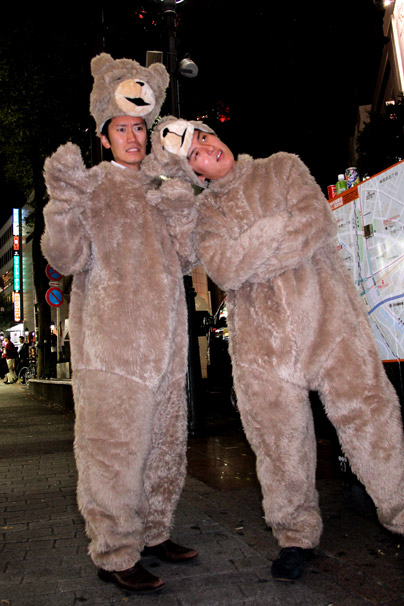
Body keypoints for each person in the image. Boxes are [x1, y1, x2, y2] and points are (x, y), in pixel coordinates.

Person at [147, 116, 404, 581]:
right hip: (262, 350)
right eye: (195, 154)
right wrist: (276, 228)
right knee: (279, 445)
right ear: (195, 174)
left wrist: (254, 251)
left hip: (332, 322)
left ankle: (400, 512)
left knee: (371, 417)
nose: (207, 149)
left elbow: (314, 223)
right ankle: (294, 535)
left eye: (205, 137)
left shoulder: (282, 167)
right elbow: (224, 269)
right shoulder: (206, 216)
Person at [41, 55, 197, 594]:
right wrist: (60, 202)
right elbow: (63, 257)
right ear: (104, 138)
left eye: (138, 128)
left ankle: (154, 533)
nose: (132, 136)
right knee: (114, 452)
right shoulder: (89, 187)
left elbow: (186, 260)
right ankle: (113, 552)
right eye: (121, 129)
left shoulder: (159, 185)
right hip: (111, 350)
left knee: (164, 445)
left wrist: (180, 207)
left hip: (168, 346)